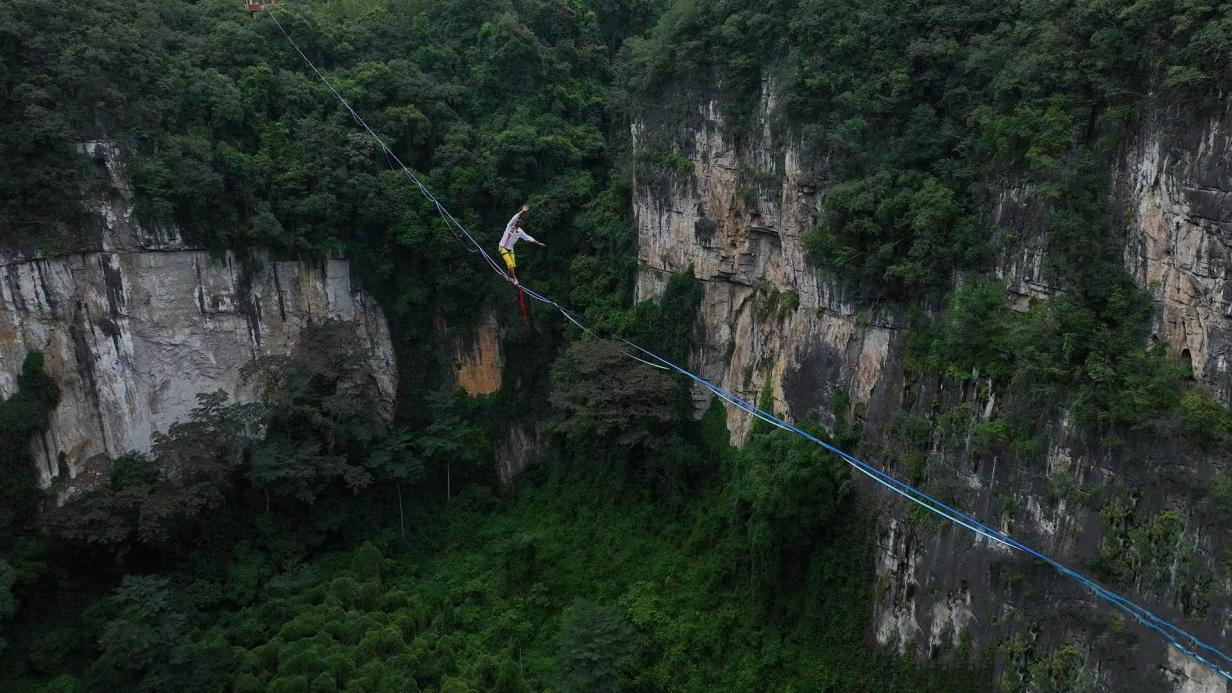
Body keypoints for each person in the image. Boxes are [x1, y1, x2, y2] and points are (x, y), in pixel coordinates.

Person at [498, 203, 544, 285]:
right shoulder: (510, 226)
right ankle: (513, 278)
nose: (517, 223)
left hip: (510, 249)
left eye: (519, 223)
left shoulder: (520, 232)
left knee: (513, 265)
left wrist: (538, 243)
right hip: (502, 247)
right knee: (510, 264)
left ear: (520, 225)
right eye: (517, 222)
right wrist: (522, 211)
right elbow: (514, 218)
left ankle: (510, 276)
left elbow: (528, 238)